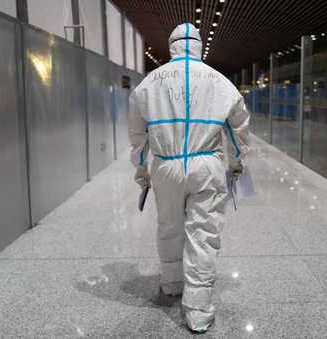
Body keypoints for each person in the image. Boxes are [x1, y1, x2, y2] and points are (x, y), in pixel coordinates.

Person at [128, 22, 250, 333]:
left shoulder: (148, 84)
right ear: (196, 45)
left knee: (169, 226)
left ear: (172, 46)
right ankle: (197, 311)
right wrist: (236, 164)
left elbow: (138, 136)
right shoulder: (221, 83)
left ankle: (171, 284)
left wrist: (142, 171)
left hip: (166, 166)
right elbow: (238, 131)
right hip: (206, 166)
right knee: (203, 235)